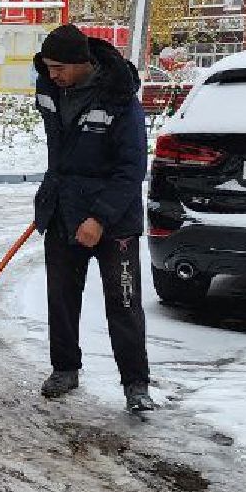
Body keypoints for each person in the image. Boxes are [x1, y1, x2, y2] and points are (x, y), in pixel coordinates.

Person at [32, 24, 155, 413]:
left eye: (60, 68)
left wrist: (99, 218)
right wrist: (50, 202)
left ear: (83, 63)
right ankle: (65, 369)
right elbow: (63, 156)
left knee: (123, 302)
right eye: (48, 67)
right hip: (63, 212)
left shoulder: (119, 98)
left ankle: (136, 384)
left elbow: (132, 168)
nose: (52, 75)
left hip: (113, 220)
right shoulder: (49, 89)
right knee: (62, 299)